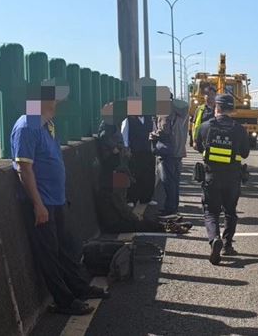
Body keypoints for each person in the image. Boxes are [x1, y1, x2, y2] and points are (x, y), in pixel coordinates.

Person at [12, 82, 108, 316]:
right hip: (42, 202)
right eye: (53, 100)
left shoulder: (47, 125)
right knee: (49, 253)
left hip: (56, 199)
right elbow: (24, 169)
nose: (56, 104)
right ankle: (64, 301)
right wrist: (38, 204)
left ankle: (78, 288)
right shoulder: (27, 126)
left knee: (66, 249)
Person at [96, 113, 191, 234]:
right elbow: (121, 207)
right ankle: (165, 225)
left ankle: (166, 223)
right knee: (124, 196)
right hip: (118, 163)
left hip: (119, 164)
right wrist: (117, 148)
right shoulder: (111, 125)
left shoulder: (112, 123)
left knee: (130, 185)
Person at [196, 94, 250, 265]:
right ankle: (227, 245)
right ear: (231, 109)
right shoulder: (239, 129)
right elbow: (245, 153)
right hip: (232, 178)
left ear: (216, 108)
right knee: (230, 211)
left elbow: (198, 146)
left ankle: (214, 239)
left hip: (211, 176)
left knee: (211, 212)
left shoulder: (205, 127)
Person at [152, 95, 190, 219]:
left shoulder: (164, 111)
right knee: (175, 181)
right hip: (178, 150)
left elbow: (164, 130)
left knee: (167, 181)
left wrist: (153, 135)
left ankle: (169, 209)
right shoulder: (181, 112)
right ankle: (174, 207)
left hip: (167, 151)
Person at [121, 111, 156, 205]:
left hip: (148, 151)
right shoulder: (128, 120)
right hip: (134, 152)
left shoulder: (150, 119)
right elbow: (124, 134)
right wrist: (126, 148)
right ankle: (131, 199)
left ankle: (146, 198)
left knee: (149, 175)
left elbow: (154, 131)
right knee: (134, 175)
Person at [192, 84, 217, 150]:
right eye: (208, 94)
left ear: (215, 96)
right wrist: (195, 141)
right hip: (203, 141)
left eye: (212, 94)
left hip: (216, 140)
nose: (210, 96)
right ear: (204, 96)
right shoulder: (200, 109)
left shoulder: (219, 109)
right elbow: (195, 126)